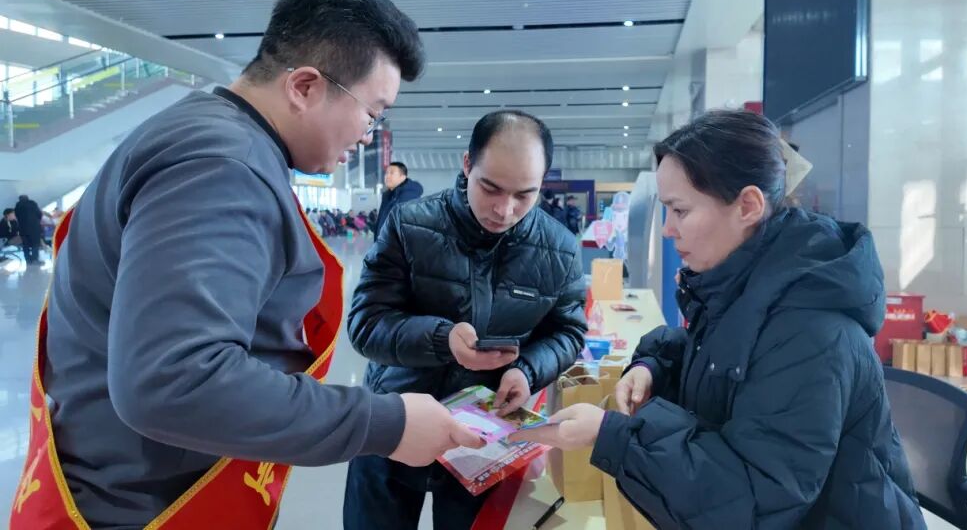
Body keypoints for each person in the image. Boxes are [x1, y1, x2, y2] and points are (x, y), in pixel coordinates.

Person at [9, 0, 484, 530]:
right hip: (143, 509)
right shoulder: (221, 165)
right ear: (304, 87)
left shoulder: (212, 138)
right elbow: (173, 380)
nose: (367, 135)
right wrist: (385, 423)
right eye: (372, 113)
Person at [511, 111, 926, 529]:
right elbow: (718, 359)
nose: (668, 230)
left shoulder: (810, 331)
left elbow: (751, 501)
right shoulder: (749, 287)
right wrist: (654, 367)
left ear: (747, 206)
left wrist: (612, 436)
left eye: (680, 210)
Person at [345, 110, 588, 530]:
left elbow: (568, 332)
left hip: (484, 441)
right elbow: (366, 323)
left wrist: (527, 370)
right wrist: (441, 339)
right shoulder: (409, 224)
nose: (504, 210)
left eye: (524, 194)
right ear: (467, 164)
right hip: (395, 422)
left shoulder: (560, 250)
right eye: (490, 187)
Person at [374, 161, 424, 237]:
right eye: (386, 173)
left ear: (403, 177)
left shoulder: (408, 196)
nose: (387, 176)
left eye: (392, 173)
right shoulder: (388, 196)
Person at [14, 194, 43, 264]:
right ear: (27, 198)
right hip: (34, 228)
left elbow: (17, 216)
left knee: (25, 245)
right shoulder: (32, 203)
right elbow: (39, 214)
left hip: (23, 229)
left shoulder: (18, 205)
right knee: (35, 244)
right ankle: (34, 259)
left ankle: (28, 260)